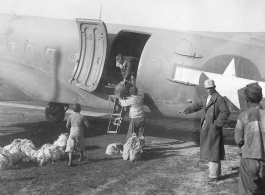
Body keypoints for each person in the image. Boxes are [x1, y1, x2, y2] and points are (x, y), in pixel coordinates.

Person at [178, 79, 230, 181]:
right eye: (207, 89)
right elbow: (197, 105)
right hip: (207, 128)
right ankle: (216, 173)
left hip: (213, 128)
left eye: (211, 88)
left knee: (213, 151)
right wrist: (186, 110)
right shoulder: (205, 97)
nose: (209, 90)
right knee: (212, 151)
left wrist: (216, 124)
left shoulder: (219, 99)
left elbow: (225, 112)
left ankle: (214, 176)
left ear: (214, 87)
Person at [234, 82, 265, 194]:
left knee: (247, 191)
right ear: (260, 97)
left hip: (249, 160)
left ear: (247, 99)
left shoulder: (244, 116)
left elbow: (238, 139)